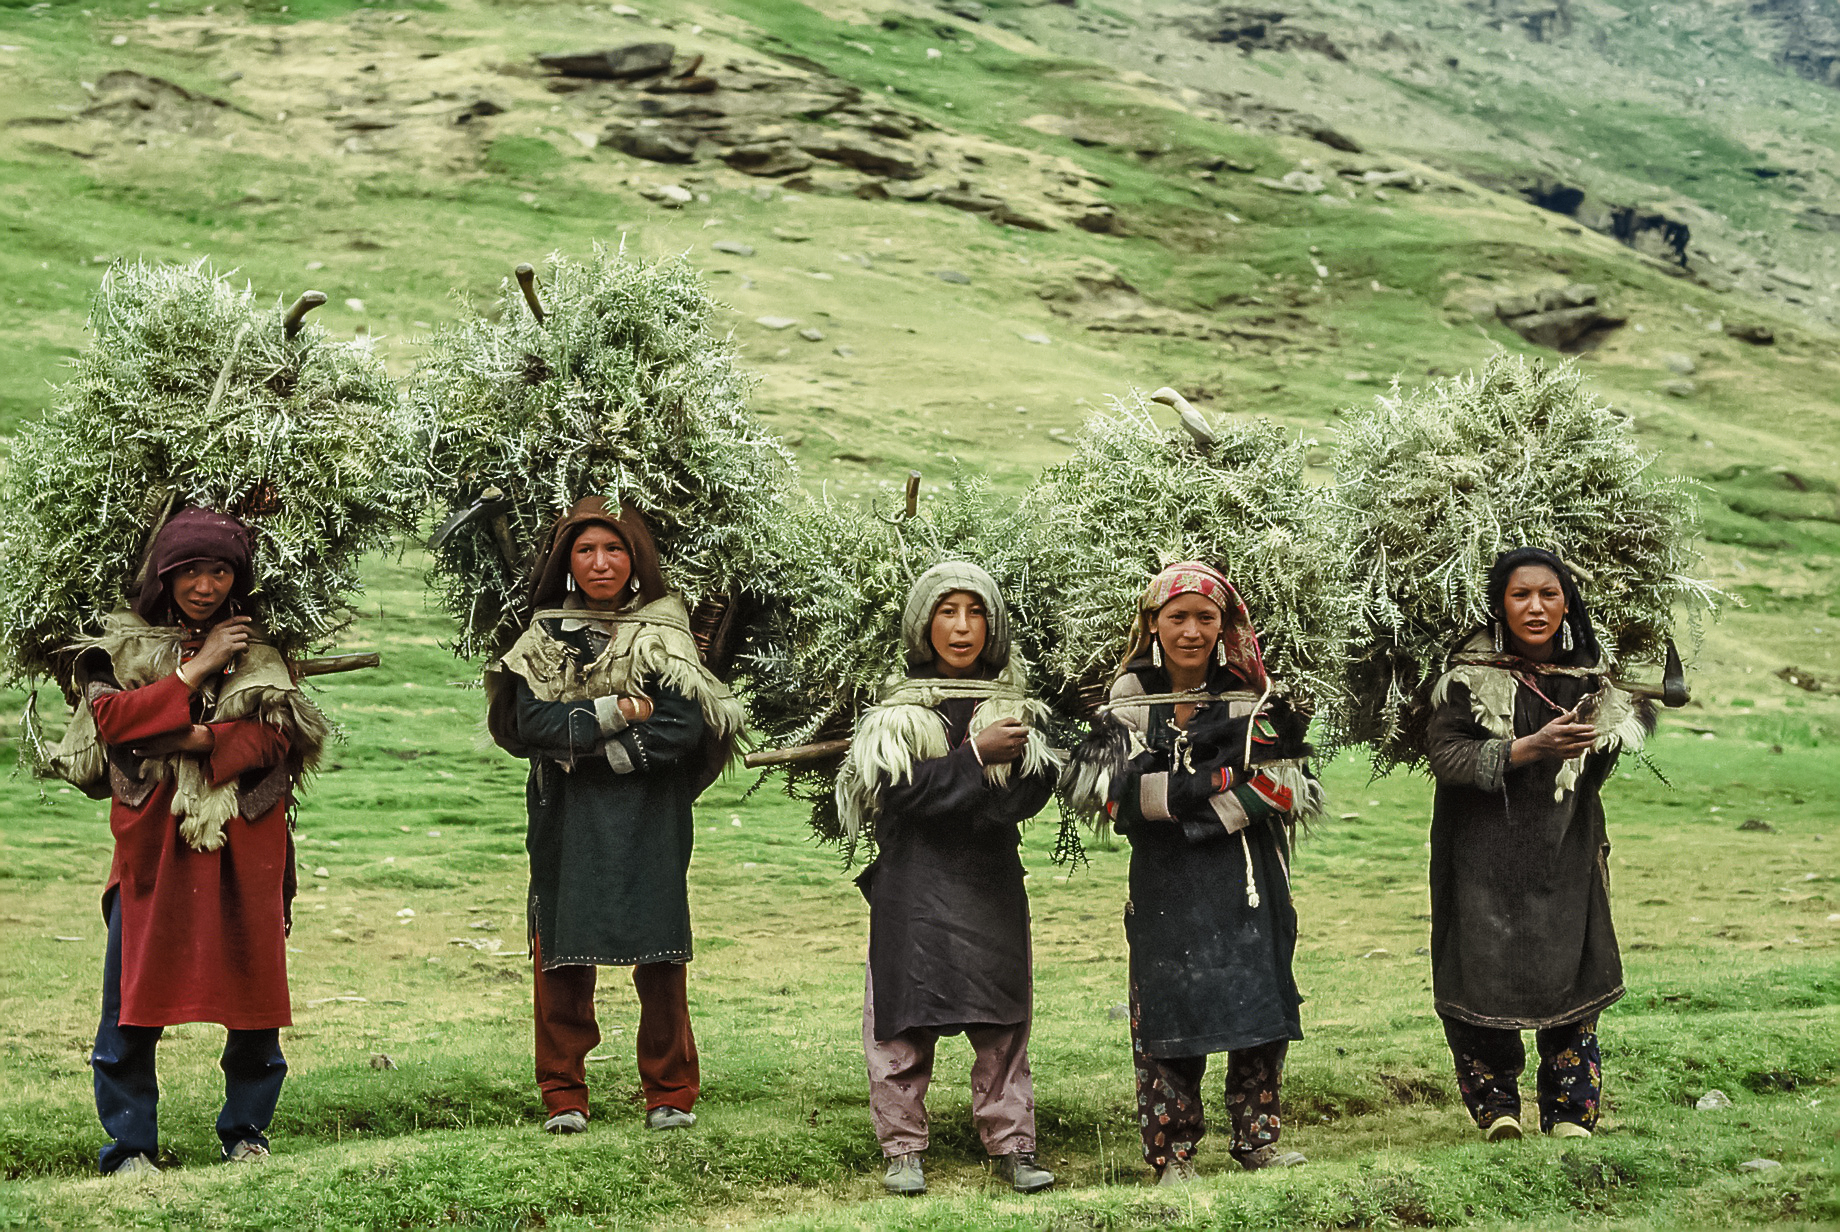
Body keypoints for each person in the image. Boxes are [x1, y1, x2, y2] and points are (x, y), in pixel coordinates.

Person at [58, 507, 331, 1174]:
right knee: (130, 995)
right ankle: (129, 1145)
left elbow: (278, 735)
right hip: (153, 841)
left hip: (243, 843)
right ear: (164, 574)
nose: (205, 586)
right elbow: (112, 719)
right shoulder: (119, 644)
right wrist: (196, 669)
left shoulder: (261, 649)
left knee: (253, 992)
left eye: (219, 570)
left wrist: (197, 737)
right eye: (189, 571)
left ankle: (245, 1132)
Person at [485, 496, 744, 1135]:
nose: (601, 563)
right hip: (564, 816)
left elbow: (682, 726)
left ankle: (670, 1092)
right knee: (561, 953)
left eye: (615, 549)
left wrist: (588, 748)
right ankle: (564, 1094)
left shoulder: (667, 633)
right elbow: (528, 722)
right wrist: (616, 714)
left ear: (638, 559)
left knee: (660, 953)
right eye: (585, 550)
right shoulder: (540, 637)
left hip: (649, 813)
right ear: (566, 561)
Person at [1063, 561, 1322, 1185]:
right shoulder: (1126, 703)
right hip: (1163, 886)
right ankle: (1171, 1154)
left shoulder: (1253, 697)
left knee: (1256, 1000)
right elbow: (1101, 795)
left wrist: (1183, 806)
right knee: (1167, 1006)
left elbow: (1290, 790)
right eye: (1176, 616)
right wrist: (1220, 783)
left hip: (1247, 881)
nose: (1191, 630)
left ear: (1223, 624)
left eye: (1205, 617)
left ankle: (1256, 1140)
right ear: (1153, 623)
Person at [835, 562, 1062, 1196]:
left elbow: (1026, 794)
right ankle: (902, 1148)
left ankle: (1014, 1143)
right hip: (912, 885)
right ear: (922, 623)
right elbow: (899, 795)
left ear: (993, 624)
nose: (962, 628)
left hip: (989, 882)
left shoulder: (1018, 710)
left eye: (975, 612)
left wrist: (967, 785)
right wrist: (975, 759)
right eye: (946, 612)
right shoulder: (891, 716)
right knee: (901, 1019)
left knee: (1002, 1018)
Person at [1425, 546, 1650, 1142]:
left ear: (1568, 603)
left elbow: (1603, 762)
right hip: (1479, 851)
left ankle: (1571, 1111)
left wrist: (1613, 731)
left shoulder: (1592, 681)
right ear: (1499, 604)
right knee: (1478, 964)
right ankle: (1497, 1108)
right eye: (1520, 594)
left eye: (1550, 594)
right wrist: (1532, 747)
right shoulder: (1466, 681)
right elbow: (1447, 758)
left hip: (1565, 844)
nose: (1536, 607)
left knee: (1572, 963)